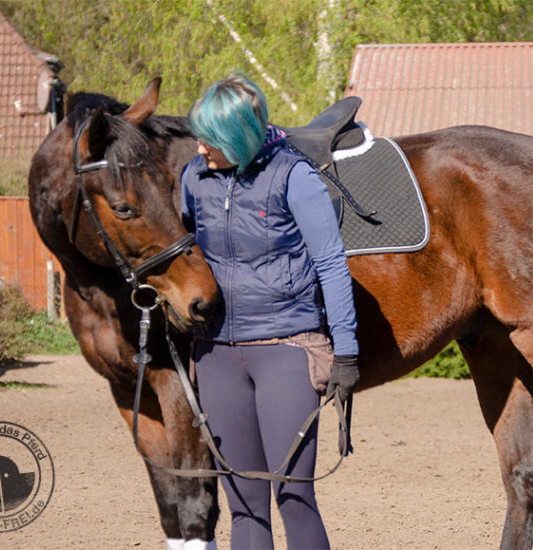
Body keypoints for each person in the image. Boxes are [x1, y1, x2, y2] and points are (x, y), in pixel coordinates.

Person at [180, 73, 359, 550]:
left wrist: (346, 352)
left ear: (238, 136)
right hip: (217, 356)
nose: (201, 149)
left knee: (294, 499)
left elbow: (331, 265)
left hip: (287, 350)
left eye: (211, 140)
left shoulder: (293, 176)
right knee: (244, 508)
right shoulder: (193, 178)